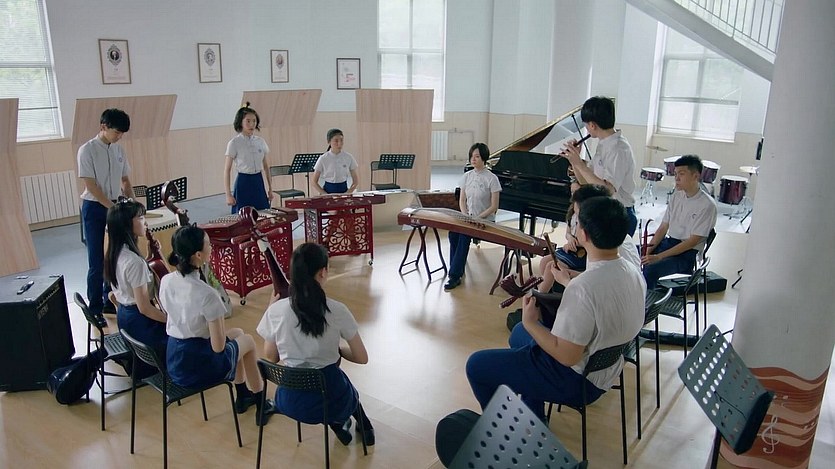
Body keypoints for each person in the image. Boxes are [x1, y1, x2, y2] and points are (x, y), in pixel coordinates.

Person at [466, 196, 646, 420]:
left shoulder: (584, 287)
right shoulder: (632, 272)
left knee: (477, 365)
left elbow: (567, 357)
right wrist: (570, 280)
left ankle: (508, 431)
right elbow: (600, 293)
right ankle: (534, 418)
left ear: (584, 235)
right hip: (606, 369)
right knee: (519, 335)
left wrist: (530, 322)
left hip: (577, 380)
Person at [257, 243, 375, 446]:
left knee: (324, 382)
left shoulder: (277, 311)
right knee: (340, 382)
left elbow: (271, 356)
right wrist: (339, 350)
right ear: (323, 272)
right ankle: (361, 425)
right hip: (331, 401)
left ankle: (340, 424)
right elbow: (362, 358)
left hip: (289, 400)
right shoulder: (337, 310)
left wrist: (270, 308)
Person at [159, 225, 274, 426]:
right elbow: (218, 347)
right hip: (199, 367)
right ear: (198, 255)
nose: (211, 247)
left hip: (176, 359)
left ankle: (243, 395)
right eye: (208, 244)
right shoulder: (207, 294)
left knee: (238, 333)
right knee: (247, 341)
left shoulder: (167, 281)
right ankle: (261, 401)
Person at [78, 108, 134, 316]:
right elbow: (91, 185)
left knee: (115, 256)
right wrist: (112, 207)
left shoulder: (118, 150)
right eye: (116, 132)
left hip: (115, 204)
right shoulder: (87, 150)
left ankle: (109, 299)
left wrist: (133, 204)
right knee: (96, 260)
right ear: (103, 126)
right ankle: (94, 308)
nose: (119, 137)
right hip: (94, 207)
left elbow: (125, 180)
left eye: (122, 134)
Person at [103, 199, 168, 378]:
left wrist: (149, 257)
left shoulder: (115, 253)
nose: (145, 222)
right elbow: (145, 308)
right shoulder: (134, 262)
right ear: (126, 225)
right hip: (141, 323)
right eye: (140, 218)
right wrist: (172, 321)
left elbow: (130, 281)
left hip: (125, 318)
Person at [538, 184, 641, 294]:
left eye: (579, 218)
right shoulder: (607, 240)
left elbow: (601, 290)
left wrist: (567, 282)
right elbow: (602, 280)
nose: (577, 224)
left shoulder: (606, 249)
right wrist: (571, 275)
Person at [562, 96, 638, 237]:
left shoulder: (618, 148)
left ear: (592, 125)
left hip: (619, 214)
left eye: (586, 125)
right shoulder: (604, 143)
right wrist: (574, 161)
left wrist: (579, 164)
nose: (586, 128)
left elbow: (607, 190)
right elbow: (586, 183)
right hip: (603, 210)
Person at [642, 154, 718, 289]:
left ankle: (648, 300)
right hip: (669, 243)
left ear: (695, 176)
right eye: (675, 174)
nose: (676, 178)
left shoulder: (707, 205)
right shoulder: (677, 195)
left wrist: (658, 257)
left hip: (687, 254)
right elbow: (663, 227)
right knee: (630, 253)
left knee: (651, 269)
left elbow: (692, 242)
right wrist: (648, 250)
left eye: (681, 174)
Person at [444, 143, 502, 291]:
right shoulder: (467, 176)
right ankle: (457, 268)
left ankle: (454, 276)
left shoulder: (492, 178)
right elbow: (462, 200)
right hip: (468, 218)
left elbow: (494, 206)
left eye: (477, 156)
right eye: (471, 156)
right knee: (453, 233)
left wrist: (477, 218)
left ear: (484, 158)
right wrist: (465, 216)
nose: (473, 159)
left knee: (464, 235)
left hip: (486, 221)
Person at [224, 102, 273, 214]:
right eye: (248, 121)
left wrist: (270, 189)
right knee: (243, 215)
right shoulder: (234, 143)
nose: (252, 124)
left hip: (258, 180)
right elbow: (227, 170)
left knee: (263, 213)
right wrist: (228, 194)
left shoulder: (260, 141)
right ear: (240, 122)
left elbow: (266, 166)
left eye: (254, 121)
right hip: (243, 181)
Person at [312, 128, 359, 194]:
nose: (339, 143)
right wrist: (324, 194)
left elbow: (355, 181)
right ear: (329, 142)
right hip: (328, 191)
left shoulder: (348, 157)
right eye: (336, 141)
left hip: (344, 190)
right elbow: (314, 182)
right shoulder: (323, 158)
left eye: (341, 140)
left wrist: (348, 193)